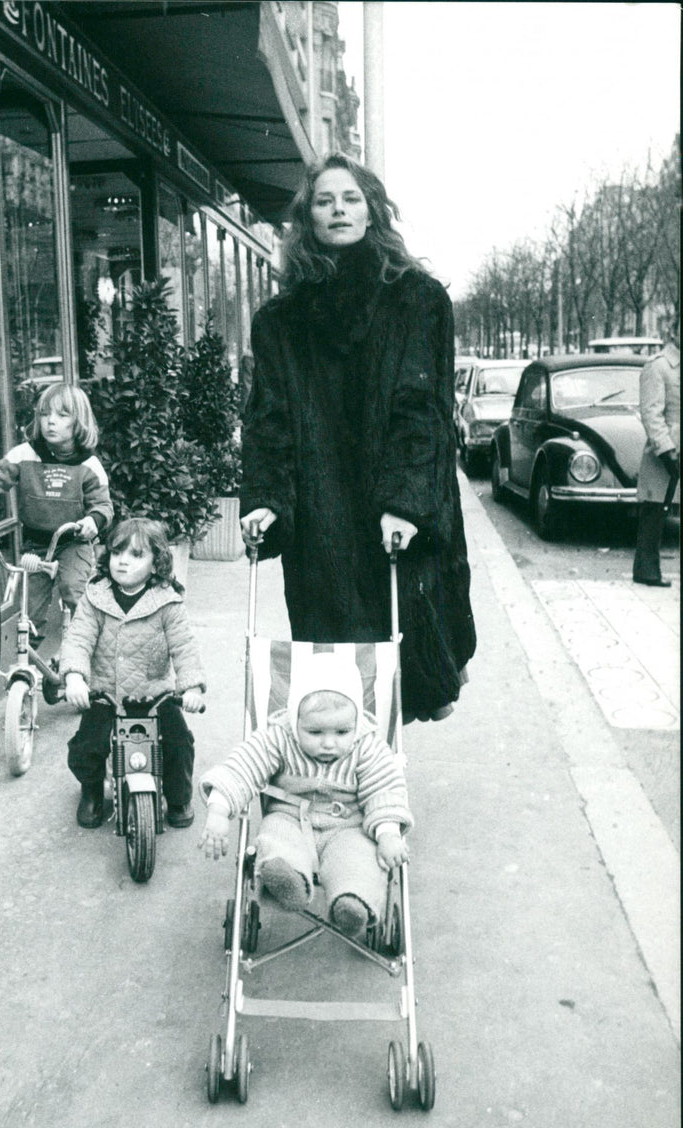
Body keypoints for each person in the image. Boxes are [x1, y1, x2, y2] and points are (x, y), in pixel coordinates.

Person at [239, 153, 475, 722]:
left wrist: (405, 503)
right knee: (334, 665)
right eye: (324, 201)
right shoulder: (280, 321)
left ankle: (381, 780)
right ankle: (345, 775)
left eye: (350, 198)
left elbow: (424, 411)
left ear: (372, 211)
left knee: (400, 656)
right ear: (308, 219)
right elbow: (268, 419)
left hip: (391, 515)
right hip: (321, 527)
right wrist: (267, 501)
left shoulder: (417, 300)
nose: (338, 209)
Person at [198, 653, 411, 939]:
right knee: (276, 840)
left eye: (341, 731)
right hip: (290, 817)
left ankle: (352, 902)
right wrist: (219, 809)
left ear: (357, 721)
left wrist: (388, 832)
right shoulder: (279, 737)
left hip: (349, 826)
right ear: (294, 717)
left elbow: (383, 789)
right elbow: (244, 767)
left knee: (361, 859)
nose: (328, 742)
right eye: (314, 731)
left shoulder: (367, 746)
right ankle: (287, 880)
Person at [60, 517, 206, 829]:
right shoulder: (95, 597)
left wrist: (191, 688)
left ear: (156, 564)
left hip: (155, 694)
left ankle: (179, 797)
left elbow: (184, 647)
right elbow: (79, 638)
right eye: (116, 553)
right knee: (88, 744)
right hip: (106, 693)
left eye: (136, 555)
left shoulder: (168, 602)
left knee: (179, 742)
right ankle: (91, 790)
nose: (123, 561)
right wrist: (74, 676)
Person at [0, 382, 113, 644]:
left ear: (79, 423)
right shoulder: (24, 454)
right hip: (35, 545)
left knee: (73, 590)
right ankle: (30, 665)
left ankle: (86, 649)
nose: (51, 422)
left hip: (72, 542)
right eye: (44, 414)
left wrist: (92, 521)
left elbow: (103, 505)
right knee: (28, 612)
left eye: (62, 415)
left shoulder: (88, 464)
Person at [632, 332, 680, 587]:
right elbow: (651, 413)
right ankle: (646, 571)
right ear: (674, 331)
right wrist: (666, 450)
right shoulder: (658, 366)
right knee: (654, 511)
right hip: (667, 451)